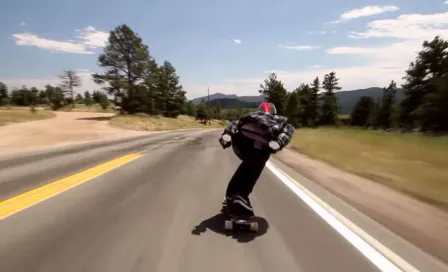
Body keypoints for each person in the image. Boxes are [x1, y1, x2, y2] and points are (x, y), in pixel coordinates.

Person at [218, 101, 295, 217]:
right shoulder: (280, 120)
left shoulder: (251, 115)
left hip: (241, 142)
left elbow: (235, 123)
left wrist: (228, 135)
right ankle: (239, 195)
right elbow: (287, 132)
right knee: (256, 163)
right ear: (274, 113)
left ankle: (234, 195)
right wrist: (279, 143)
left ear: (260, 110)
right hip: (262, 146)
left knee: (249, 164)